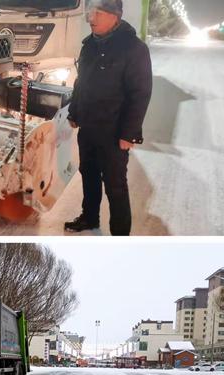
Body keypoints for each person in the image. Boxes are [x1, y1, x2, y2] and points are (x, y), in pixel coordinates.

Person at [65, 0, 152, 236]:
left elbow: (140, 95)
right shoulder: (89, 45)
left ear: (115, 16)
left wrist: (129, 134)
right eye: (90, 13)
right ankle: (90, 217)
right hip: (89, 127)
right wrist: (74, 111)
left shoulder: (134, 49)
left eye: (98, 14)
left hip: (114, 132)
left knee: (115, 185)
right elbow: (80, 82)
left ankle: (120, 234)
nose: (91, 19)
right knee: (89, 174)